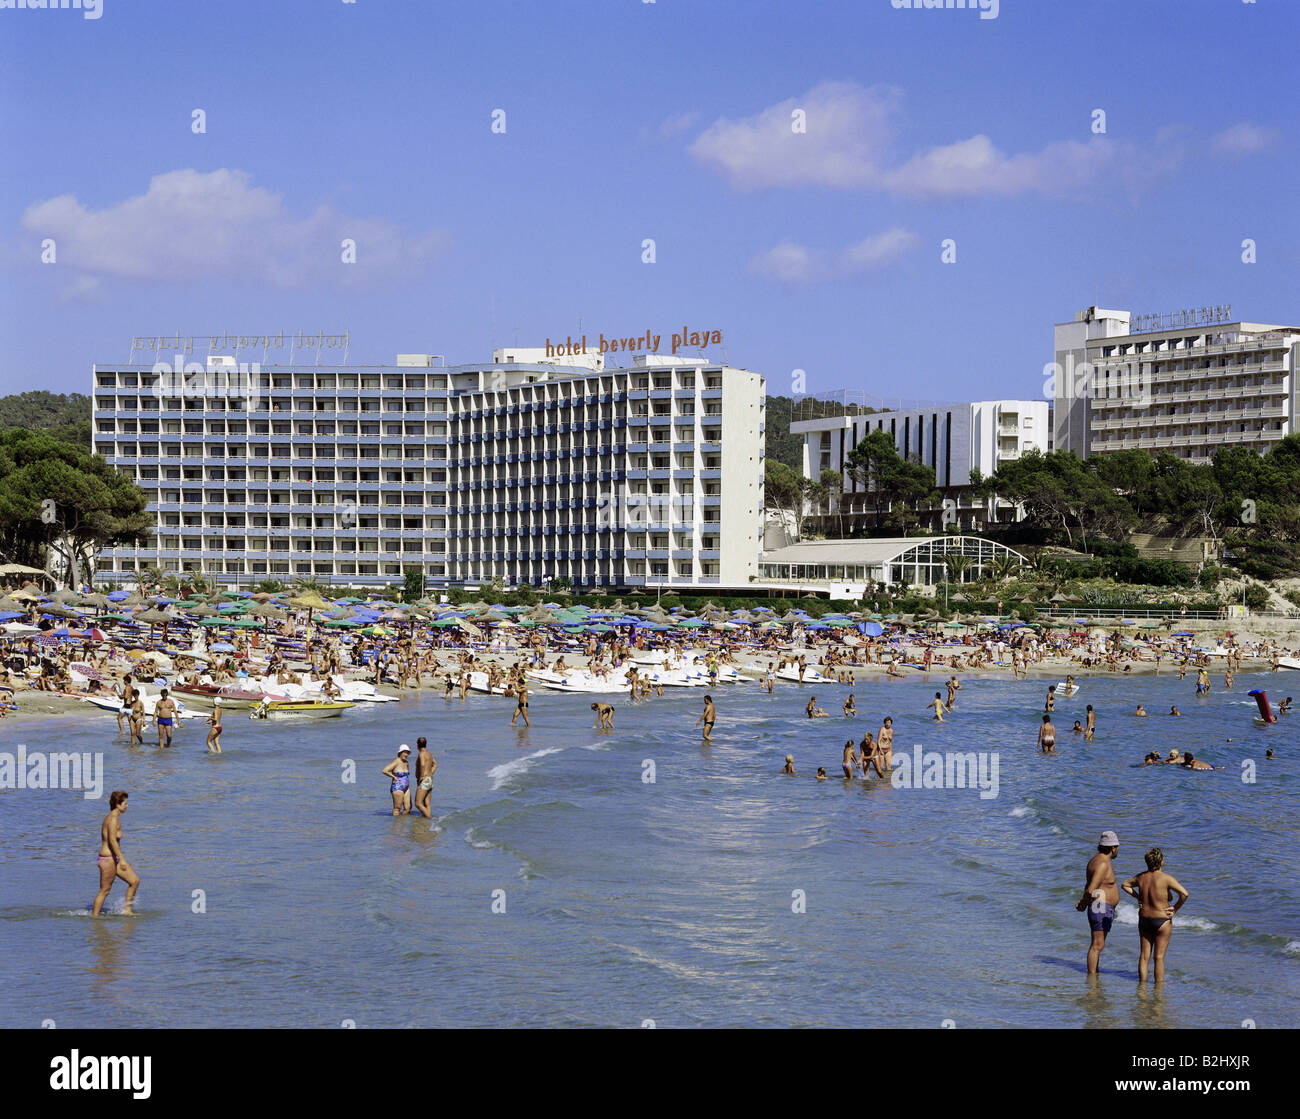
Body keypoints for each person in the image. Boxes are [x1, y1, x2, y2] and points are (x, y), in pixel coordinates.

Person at [1122, 848, 1189, 983]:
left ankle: (1142, 987)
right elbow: (1184, 894)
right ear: (1161, 862)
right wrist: (1175, 908)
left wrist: (1138, 897)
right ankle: (1158, 991)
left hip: (1144, 919)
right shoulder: (1167, 879)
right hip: (1162, 920)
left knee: (1144, 956)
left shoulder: (1141, 877)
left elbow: (1125, 885)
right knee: (1158, 958)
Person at [1074, 830, 1120, 974]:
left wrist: (1084, 902)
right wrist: (1084, 900)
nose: (1118, 849)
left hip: (1098, 905)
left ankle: (1094, 974)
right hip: (1100, 906)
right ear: (1112, 848)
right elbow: (1091, 889)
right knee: (1097, 945)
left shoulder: (1095, 860)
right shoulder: (1102, 864)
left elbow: (1089, 885)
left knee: (1097, 944)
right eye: (1117, 846)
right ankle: (1092, 979)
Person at [93, 790, 140, 917]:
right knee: (105, 890)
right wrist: (122, 860)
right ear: (118, 805)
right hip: (107, 859)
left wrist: (119, 859)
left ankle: (127, 911)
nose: (127, 805)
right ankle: (94, 917)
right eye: (125, 803)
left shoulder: (115, 818)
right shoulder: (112, 819)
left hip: (115, 858)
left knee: (134, 881)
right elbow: (112, 841)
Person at [382, 744, 412, 816]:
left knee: (408, 808)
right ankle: (396, 825)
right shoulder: (396, 761)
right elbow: (385, 770)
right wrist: (394, 777)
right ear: (400, 753)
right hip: (397, 787)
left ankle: (403, 822)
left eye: (407, 752)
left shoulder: (406, 762)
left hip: (406, 788)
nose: (406, 754)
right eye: (404, 752)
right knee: (397, 808)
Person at [413, 737, 436, 819]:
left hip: (425, 780)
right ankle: (427, 821)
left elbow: (422, 764)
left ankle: (430, 818)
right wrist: (430, 774)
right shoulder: (429, 753)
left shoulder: (421, 753)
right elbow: (435, 764)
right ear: (426, 744)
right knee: (427, 803)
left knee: (418, 803)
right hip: (430, 779)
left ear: (417, 744)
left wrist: (422, 776)